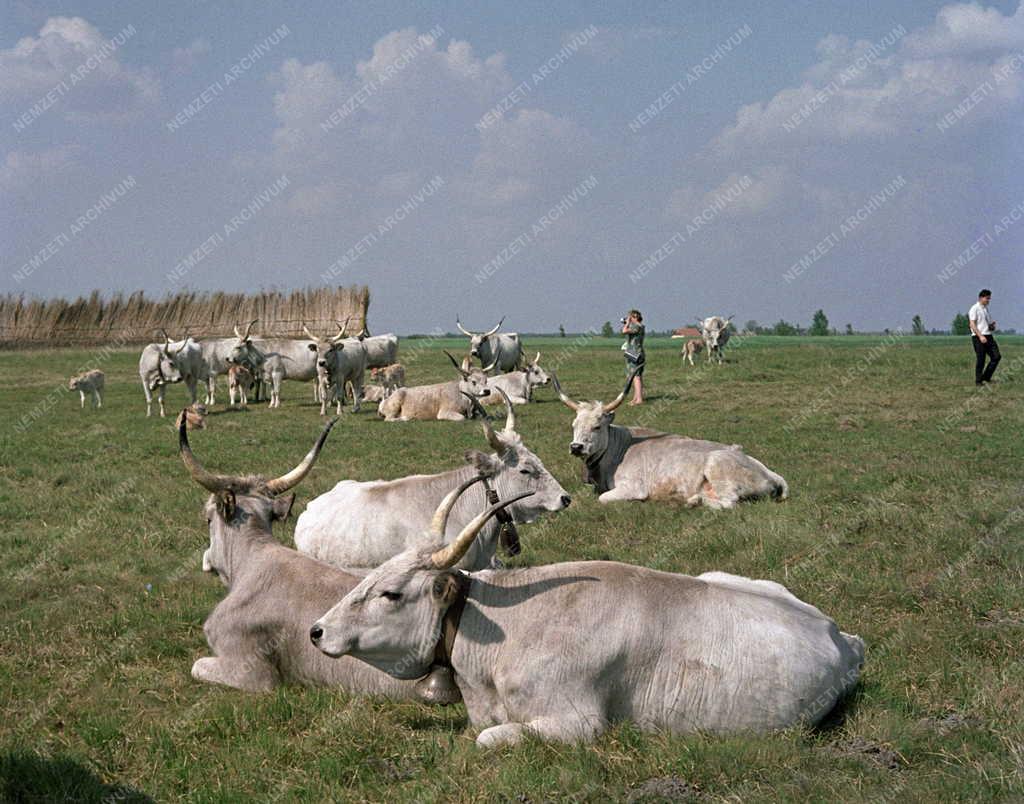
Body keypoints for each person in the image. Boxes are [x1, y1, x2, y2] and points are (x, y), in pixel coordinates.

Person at [968, 288, 1000, 385]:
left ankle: (986, 377)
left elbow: (988, 325)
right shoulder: (974, 308)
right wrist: (980, 336)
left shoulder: (985, 309)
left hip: (988, 336)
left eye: (989, 299)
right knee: (981, 359)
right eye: (987, 298)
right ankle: (978, 381)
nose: (988, 300)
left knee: (996, 357)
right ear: (981, 298)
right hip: (978, 337)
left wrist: (992, 326)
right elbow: (972, 324)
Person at [621, 309, 645, 405]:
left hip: (634, 353)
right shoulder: (641, 326)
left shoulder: (636, 326)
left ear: (635, 317)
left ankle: (639, 399)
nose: (629, 318)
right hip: (639, 352)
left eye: (630, 317)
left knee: (635, 376)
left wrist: (627, 323)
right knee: (637, 376)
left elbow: (624, 331)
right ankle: (636, 397)